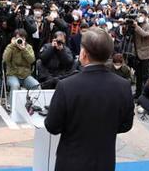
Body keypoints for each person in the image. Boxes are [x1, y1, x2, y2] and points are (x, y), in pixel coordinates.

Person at [45, 27, 134, 171]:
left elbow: (52, 126)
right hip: (104, 162)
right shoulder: (123, 86)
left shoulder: (66, 86)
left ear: (84, 53)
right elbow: (126, 125)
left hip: (71, 162)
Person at [2, 28, 39, 107]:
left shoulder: (28, 47)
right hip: (12, 75)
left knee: (36, 85)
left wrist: (24, 49)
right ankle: (12, 106)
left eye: (22, 38)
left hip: (25, 76)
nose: (20, 40)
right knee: (15, 85)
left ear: (25, 38)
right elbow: (5, 59)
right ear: (14, 38)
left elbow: (32, 60)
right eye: (18, 38)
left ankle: (33, 105)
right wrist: (12, 46)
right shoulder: (10, 47)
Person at [133, 9, 149, 98]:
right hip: (136, 53)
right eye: (139, 15)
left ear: (145, 16)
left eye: (141, 15)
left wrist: (136, 26)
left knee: (144, 76)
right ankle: (137, 93)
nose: (140, 17)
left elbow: (145, 34)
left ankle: (145, 95)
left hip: (145, 54)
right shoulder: (135, 25)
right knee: (138, 76)